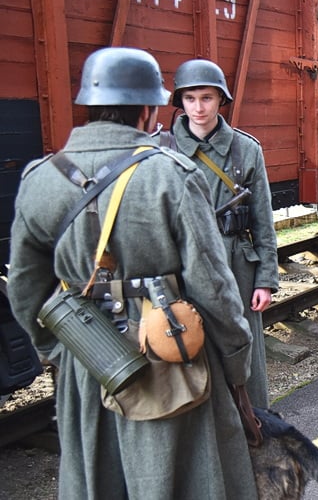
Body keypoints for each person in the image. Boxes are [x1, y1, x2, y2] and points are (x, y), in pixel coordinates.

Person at [7, 47, 259, 498]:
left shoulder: (39, 178)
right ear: (147, 110)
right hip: (175, 364)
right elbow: (214, 289)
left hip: (92, 365)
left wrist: (64, 353)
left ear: (89, 104)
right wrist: (235, 367)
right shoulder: (171, 175)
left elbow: (26, 291)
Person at [169, 59, 279, 408]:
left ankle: (254, 422)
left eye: (206, 98)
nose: (198, 108)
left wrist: (265, 279)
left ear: (220, 100)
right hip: (183, 264)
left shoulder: (246, 150)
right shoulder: (164, 150)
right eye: (190, 99)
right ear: (180, 102)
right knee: (188, 346)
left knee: (243, 346)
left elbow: (262, 219)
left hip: (235, 263)